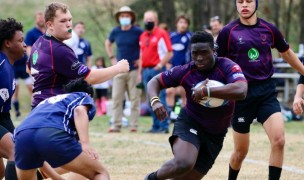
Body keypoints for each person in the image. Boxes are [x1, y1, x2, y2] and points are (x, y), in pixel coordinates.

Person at [215, 1, 304, 179]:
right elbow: (218, 64)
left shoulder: (269, 29)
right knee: (240, 153)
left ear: (256, 3)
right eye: (240, 1)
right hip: (240, 95)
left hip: (266, 93)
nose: (244, 5)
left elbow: (286, 53)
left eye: (248, 1)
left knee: (279, 141)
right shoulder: (227, 32)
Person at [145, 31, 247, 180]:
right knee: (184, 163)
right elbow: (154, 81)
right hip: (190, 123)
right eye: (195, 53)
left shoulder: (226, 66)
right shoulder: (186, 71)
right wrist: (155, 101)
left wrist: (207, 91)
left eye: (204, 52)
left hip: (215, 134)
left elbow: (241, 90)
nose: (199, 58)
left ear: (214, 50)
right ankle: (151, 178)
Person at [28, 2, 129, 109]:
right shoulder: (59, 50)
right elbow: (90, 78)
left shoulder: (38, 42)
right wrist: (118, 68)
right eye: (63, 21)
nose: (68, 24)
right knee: (88, 107)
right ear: (50, 25)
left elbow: (28, 68)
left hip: (37, 106)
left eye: (70, 20)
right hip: (52, 110)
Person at [14, 78, 110, 180]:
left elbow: (38, 154)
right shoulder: (83, 96)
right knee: (99, 172)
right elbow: (79, 110)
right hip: (51, 132)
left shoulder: (48, 102)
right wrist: (85, 143)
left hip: (21, 135)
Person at [105, 6, 143, 132]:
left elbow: (144, 46)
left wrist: (141, 61)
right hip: (119, 70)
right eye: (122, 16)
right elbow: (108, 43)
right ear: (119, 18)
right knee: (116, 98)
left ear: (131, 17)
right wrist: (112, 57)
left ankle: (134, 125)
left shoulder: (138, 31)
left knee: (134, 98)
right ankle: (116, 125)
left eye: (127, 16)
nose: (125, 18)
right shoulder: (115, 31)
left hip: (134, 70)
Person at [138, 10, 173, 133]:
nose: (148, 22)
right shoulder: (142, 36)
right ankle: (155, 126)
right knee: (150, 99)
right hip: (146, 71)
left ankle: (163, 126)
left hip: (157, 70)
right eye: (146, 19)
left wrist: (160, 65)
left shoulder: (161, 33)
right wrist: (139, 72)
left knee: (160, 97)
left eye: (150, 19)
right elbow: (141, 55)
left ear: (156, 21)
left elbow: (169, 52)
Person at [0, 17, 26, 180]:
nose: (25, 45)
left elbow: (4, 114)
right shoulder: (1, 69)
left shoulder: (8, 66)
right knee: (15, 151)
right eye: (21, 40)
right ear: (8, 43)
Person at [166, 15, 191, 120]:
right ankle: (170, 115)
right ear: (177, 24)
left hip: (185, 69)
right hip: (171, 69)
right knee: (170, 91)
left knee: (183, 92)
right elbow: (166, 51)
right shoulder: (171, 36)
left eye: (185, 23)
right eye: (181, 22)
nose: (183, 25)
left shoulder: (191, 37)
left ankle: (184, 117)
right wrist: (167, 62)